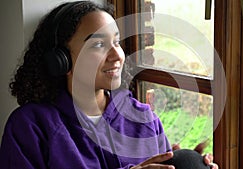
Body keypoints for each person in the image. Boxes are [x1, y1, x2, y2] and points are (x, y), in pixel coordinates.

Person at [0, 1, 218, 169]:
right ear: (61, 61)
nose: (117, 56)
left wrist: (185, 162)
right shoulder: (31, 126)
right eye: (98, 44)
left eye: (116, 42)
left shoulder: (144, 119)